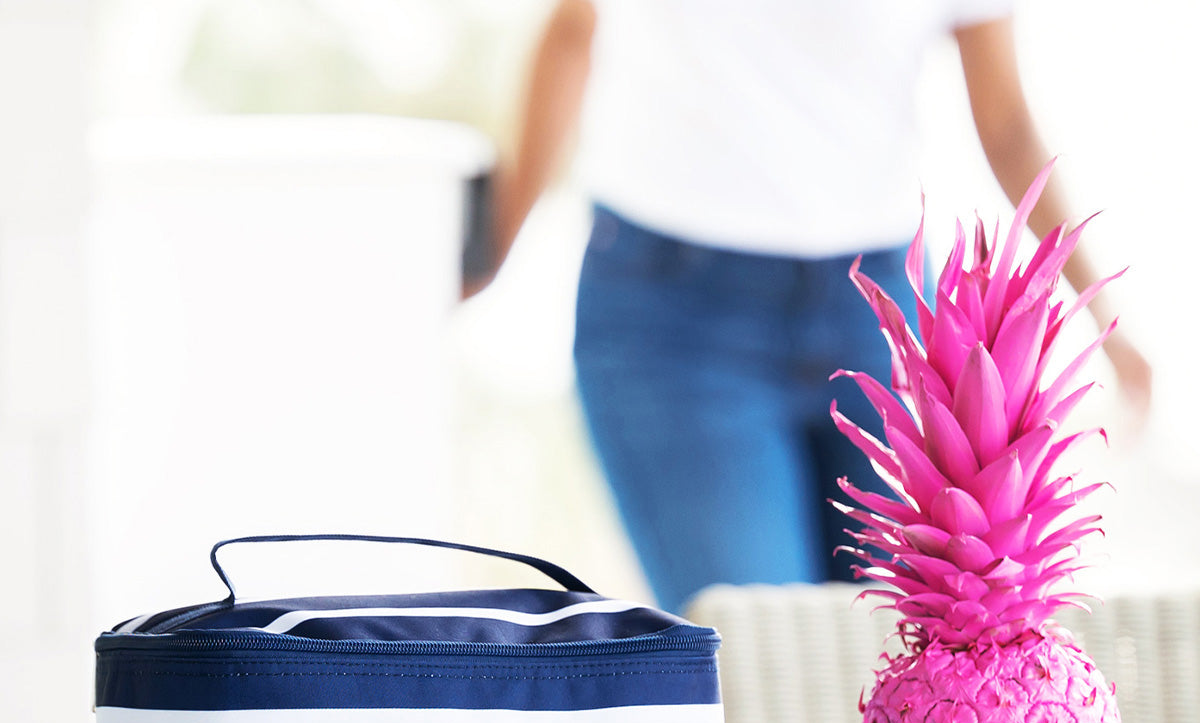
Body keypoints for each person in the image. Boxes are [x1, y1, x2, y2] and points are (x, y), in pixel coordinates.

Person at [469, 0, 1152, 616]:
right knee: (761, 665)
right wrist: (489, 249)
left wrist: (1106, 317)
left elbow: (1005, 122)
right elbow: (574, 27)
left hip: (880, 318)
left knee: (912, 662)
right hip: (675, 316)